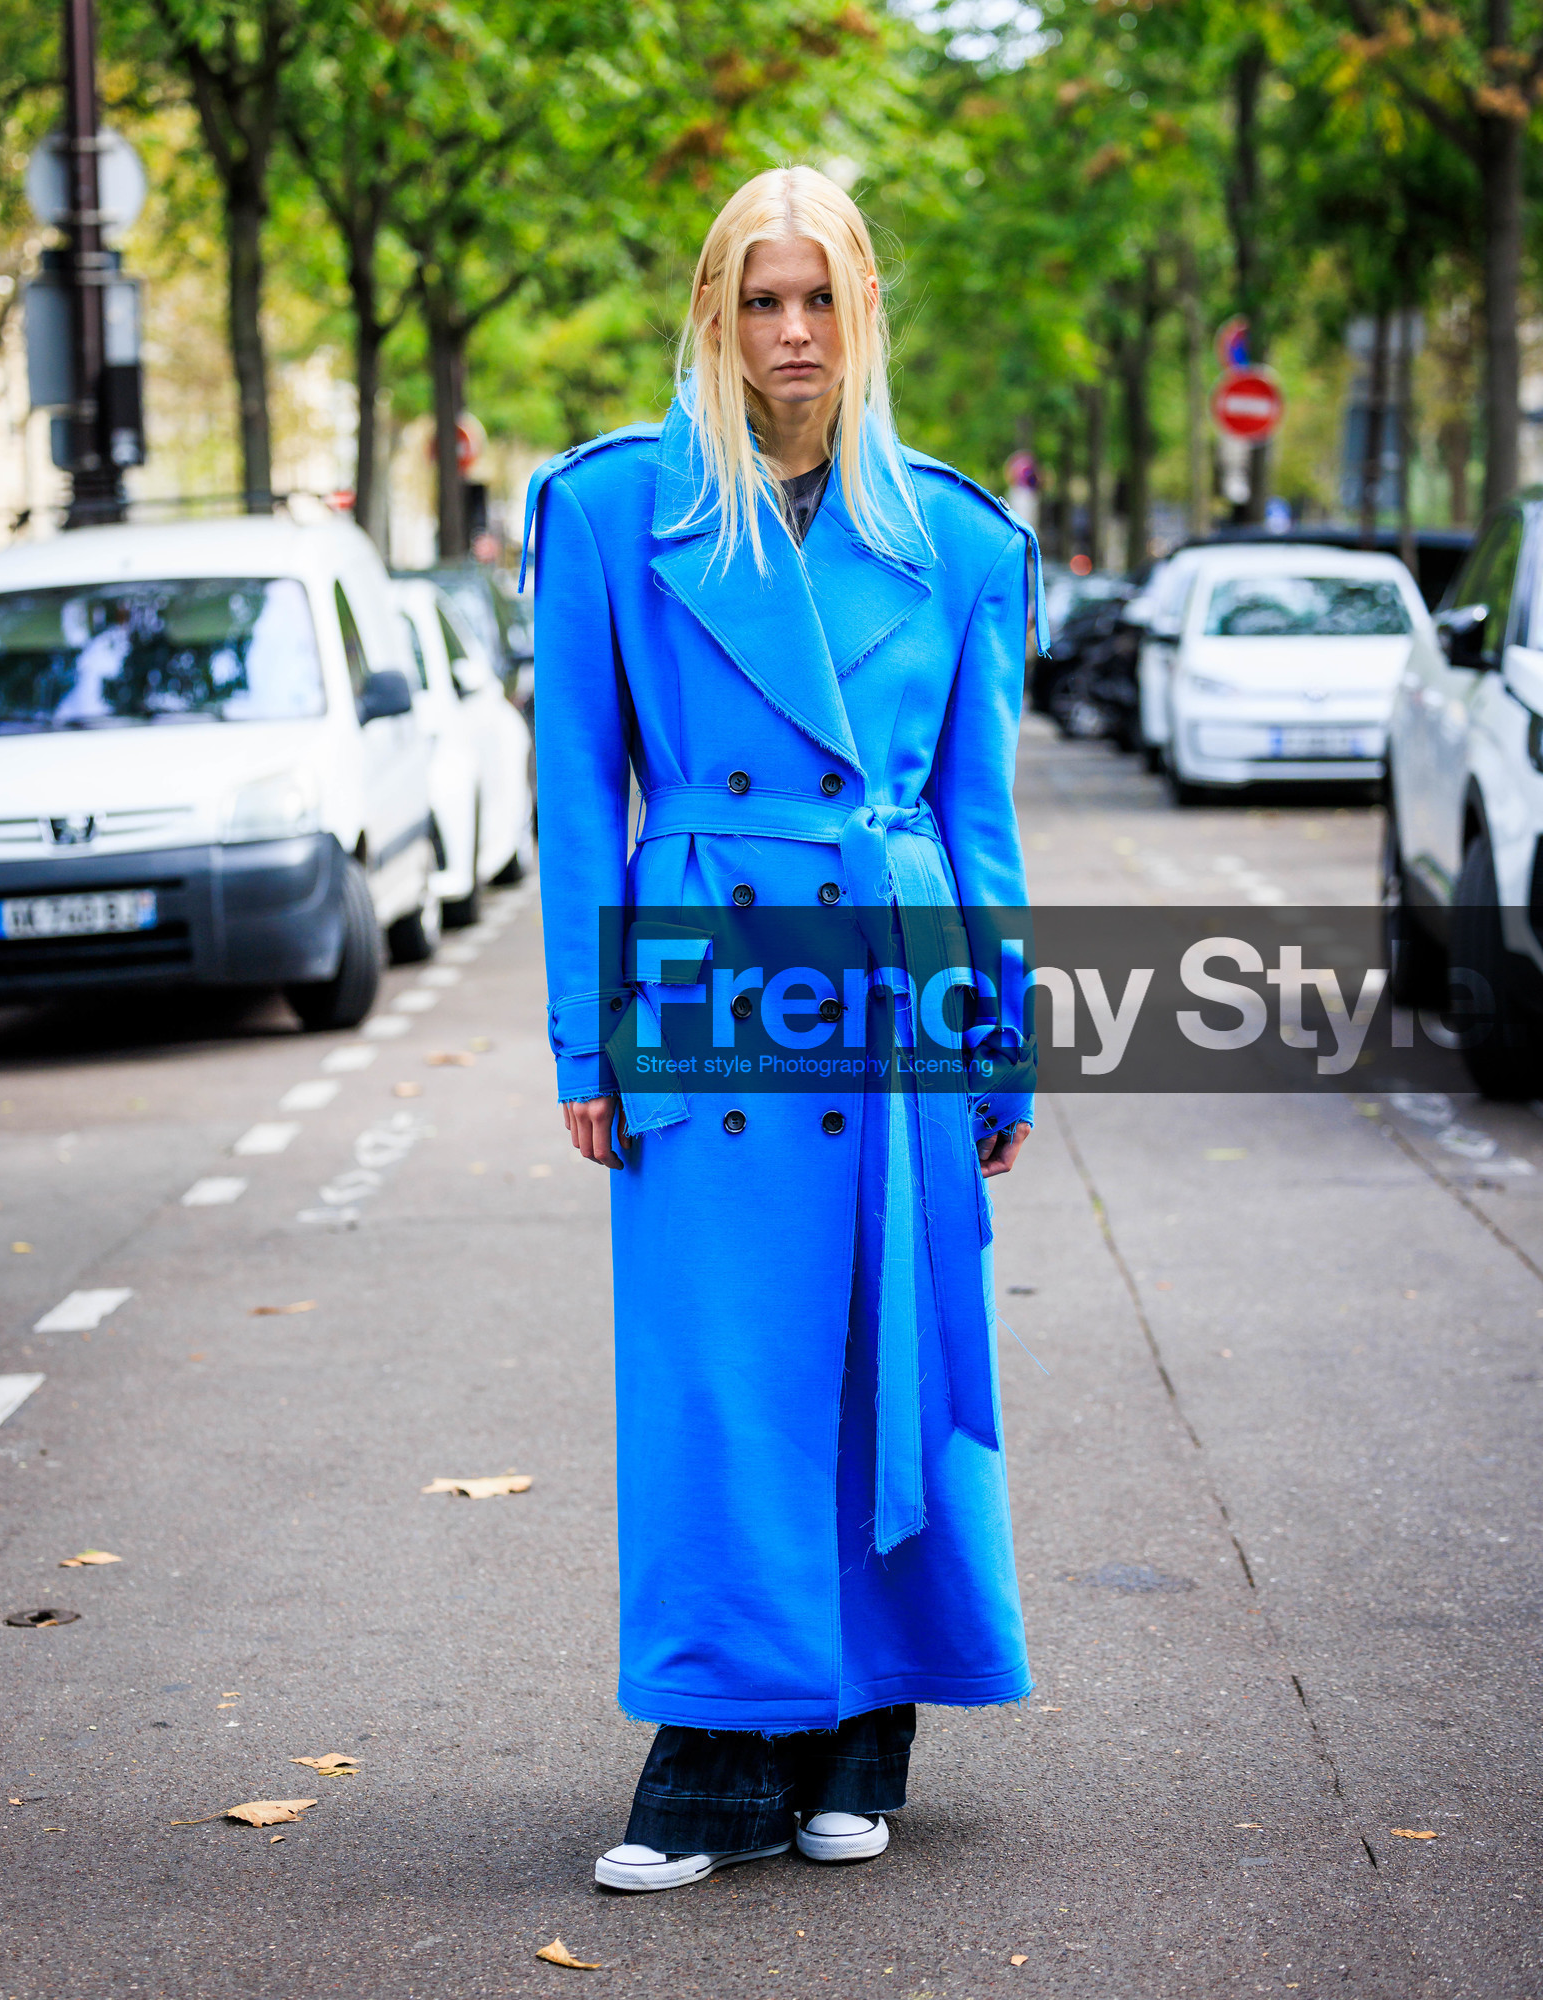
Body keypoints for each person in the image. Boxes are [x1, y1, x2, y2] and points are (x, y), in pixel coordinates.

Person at [524, 165, 1043, 1894]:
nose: (793, 334)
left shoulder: (959, 540)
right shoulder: (610, 513)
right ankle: (714, 1746)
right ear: (715, 315)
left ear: (865, 310)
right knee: (719, 1374)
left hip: (889, 984)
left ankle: (861, 1724)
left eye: (821, 298)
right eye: (762, 299)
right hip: (707, 975)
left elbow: (978, 821)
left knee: (883, 1356)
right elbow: (581, 801)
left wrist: (1001, 1040)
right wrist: (590, 1042)